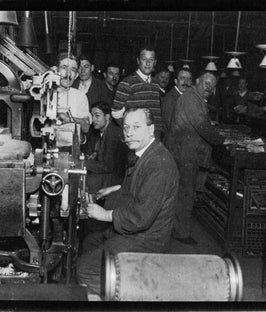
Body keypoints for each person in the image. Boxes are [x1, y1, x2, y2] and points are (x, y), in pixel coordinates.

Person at [77, 107, 179, 299]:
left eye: (136, 127)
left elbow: (139, 218)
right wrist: (115, 188)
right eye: (126, 127)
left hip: (147, 239)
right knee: (89, 241)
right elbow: (138, 187)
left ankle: (122, 297)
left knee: (85, 269)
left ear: (151, 129)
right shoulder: (146, 154)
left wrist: (104, 214)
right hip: (138, 232)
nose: (129, 133)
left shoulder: (159, 164)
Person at [165, 72, 226, 245]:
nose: (209, 88)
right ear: (197, 81)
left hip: (185, 152)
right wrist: (223, 140)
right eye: (206, 83)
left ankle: (176, 229)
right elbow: (201, 126)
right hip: (185, 153)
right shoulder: (191, 98)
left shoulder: (194, 98)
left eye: (212, 86)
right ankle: (181, 233)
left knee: (183, 192)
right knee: (185, 193)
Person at [82, 101, 128, 236]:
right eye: (92, 115)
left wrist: (84, 163)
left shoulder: (113, 134)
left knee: (85, 182)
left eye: (97, 116)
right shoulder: (106, 132)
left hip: (115, 179)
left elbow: (106, 166)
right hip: (111, 174)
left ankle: (89, 226)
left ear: (108, 117)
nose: (93, 119)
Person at [112, 46, 163, 139]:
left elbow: (156, 113)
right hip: (136, 139)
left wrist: (157, 135)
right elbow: (116, 113)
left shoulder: (155, 83)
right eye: (144, 59)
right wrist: (130, 131)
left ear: (155, 62)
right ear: (138, 61)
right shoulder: (127, 83)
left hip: (153, 137)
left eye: (151, 60)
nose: (147, 63)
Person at [72, 55, 110, 155]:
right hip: (74, 135)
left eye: (86, 66)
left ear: (92, 68)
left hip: (95, 136)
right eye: (79, 67)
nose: (82, 70)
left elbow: (106, 114)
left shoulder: (101, 87)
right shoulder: (71, 85)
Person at [55, 52, 91, 134]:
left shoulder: (80, 97)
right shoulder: (45, 92)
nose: (68, 74)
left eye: (73, 70)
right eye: (64, 68)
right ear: (56, 70)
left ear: (76, 75)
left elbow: (86, 127)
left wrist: (68, 119)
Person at [161, 68, 192, 137]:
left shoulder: (187, 97)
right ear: (175, 81)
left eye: (189, 79)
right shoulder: (170, 99)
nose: (186, 82)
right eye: (182, 78)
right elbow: (172, 127)